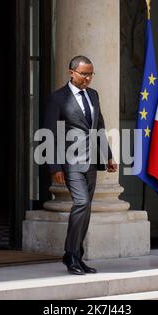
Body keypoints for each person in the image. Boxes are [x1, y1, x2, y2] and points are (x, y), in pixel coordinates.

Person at [44, 56, 118, 275]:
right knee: (82, 203)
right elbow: (49, 133)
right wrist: (54, 167)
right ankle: (70, 254)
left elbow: (99, 127)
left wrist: (108, 156)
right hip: (71, 162)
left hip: (91, 162)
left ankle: (77, 255)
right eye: (84, 74)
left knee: (86, 210)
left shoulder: (93, 95)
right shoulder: (58, 98)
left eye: (90, 74)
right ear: (72, 72)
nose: (87, 78)